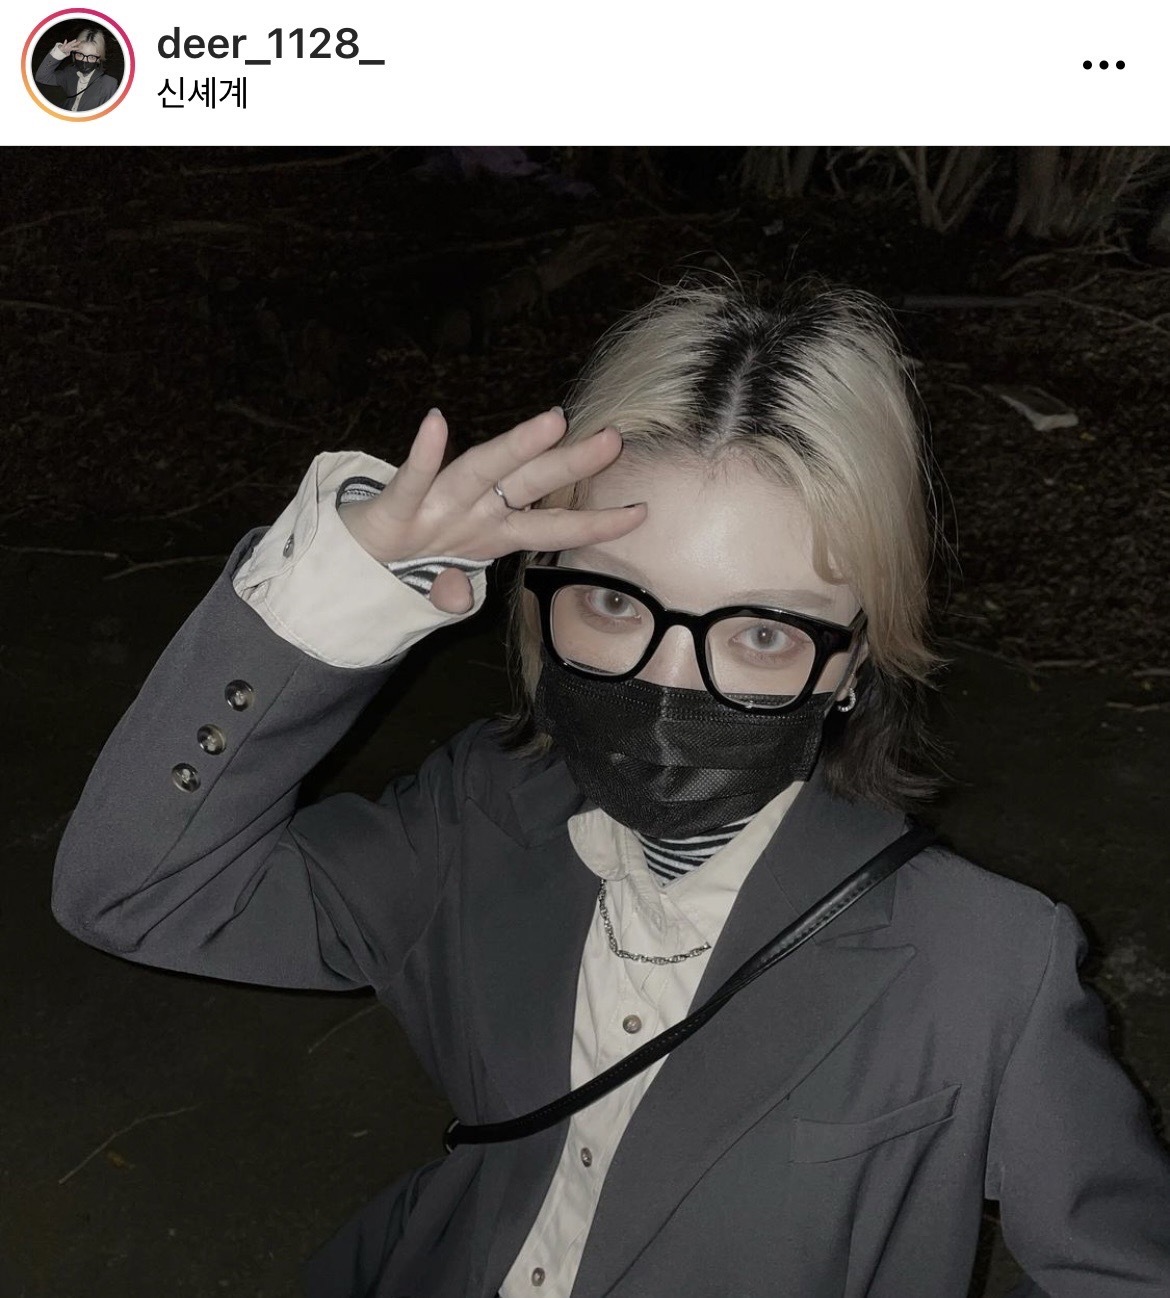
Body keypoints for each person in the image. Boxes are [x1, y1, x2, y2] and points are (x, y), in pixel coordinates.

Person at [52, 277, 1170, 1297]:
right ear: (540, 592)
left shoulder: (986, 965)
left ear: (853, 663)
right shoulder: (475, 816)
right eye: (617, 602)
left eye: (765, 631)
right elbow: (139, 891)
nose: (668, 686)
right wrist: (337, 594)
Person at [35, 28, 119, 113]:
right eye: (80, 54)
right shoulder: (69, 72)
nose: (84, 61)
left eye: (91, 57)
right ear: (74, 54)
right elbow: (41, 77)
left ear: (99, 59)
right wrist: (59, 52)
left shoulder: (109, 84)